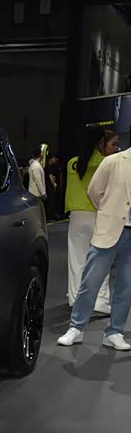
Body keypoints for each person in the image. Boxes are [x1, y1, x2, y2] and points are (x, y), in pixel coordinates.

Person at [58, 132, 131, 350]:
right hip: (109, 230)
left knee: (125, 287)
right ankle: (76, 328)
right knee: (90, 281)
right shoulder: (113, 161)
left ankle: (114, 332)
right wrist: (109, 213)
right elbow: (94, 192)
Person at [64, 128, 119, 313]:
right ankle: (100, 301)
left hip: (76, 215)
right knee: (101, 259)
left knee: (77, 259)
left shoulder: (72, 163)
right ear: (101, 142)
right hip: (99, 214)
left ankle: (75, 298)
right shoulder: (107, 163)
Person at [45, 153, 63, 220]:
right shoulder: (48, 167)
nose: (54, 159)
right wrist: (54, 184)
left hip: (49, 186)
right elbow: (50, 177)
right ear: (50, 159)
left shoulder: (49, 166)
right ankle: (50, 216)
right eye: (53, 158)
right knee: (51, 201)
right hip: (49, 186)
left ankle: (51, 215)